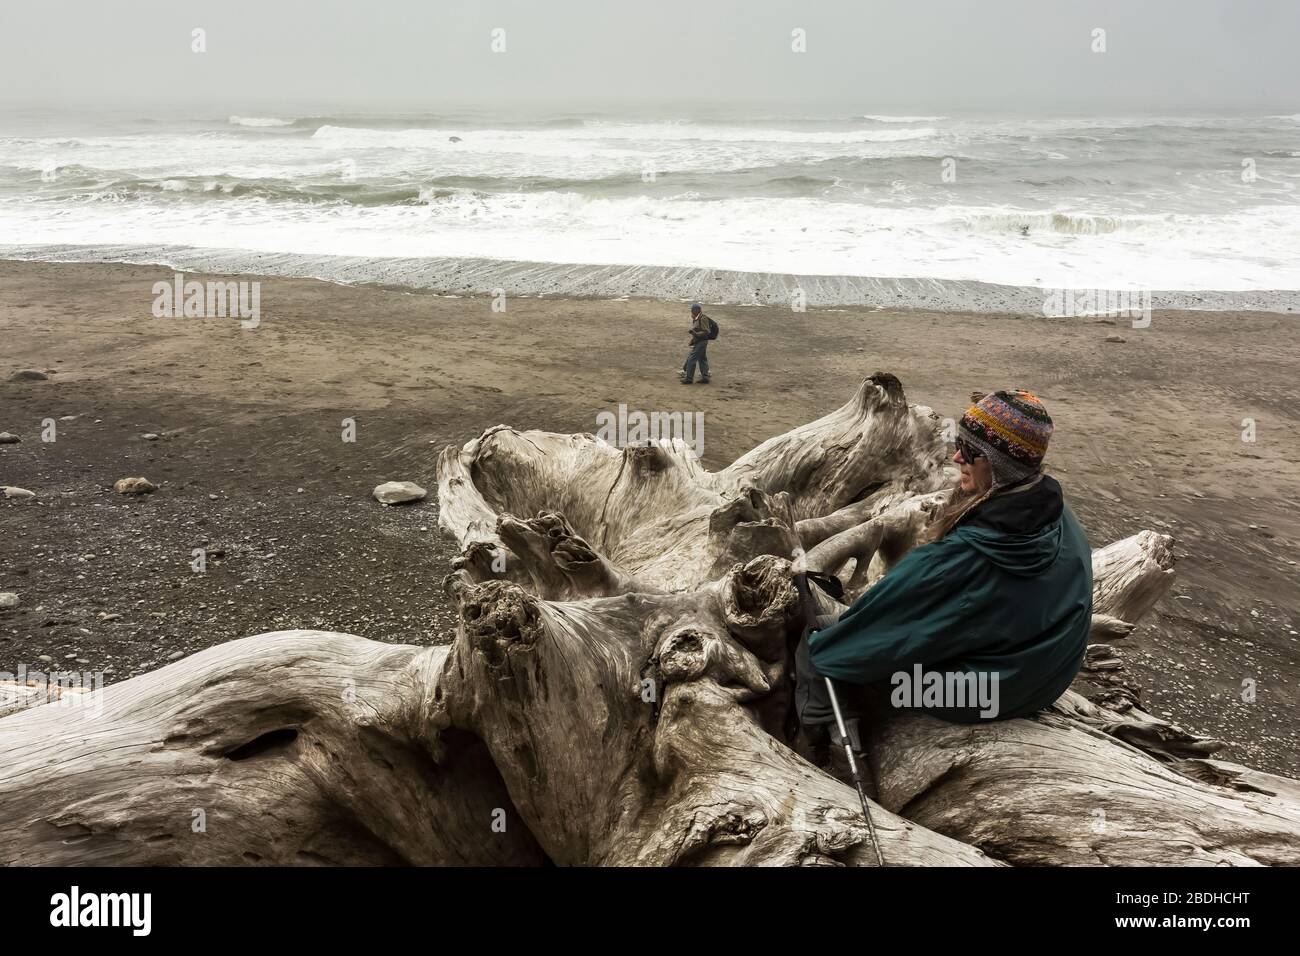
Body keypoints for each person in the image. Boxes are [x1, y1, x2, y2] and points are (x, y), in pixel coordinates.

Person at [794, 389, 1092, 769]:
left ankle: (822, 747)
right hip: (1047, 677)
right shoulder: (1058, 514)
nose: (955, 457)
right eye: (957, 444)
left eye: (968, 452)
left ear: (998, 465)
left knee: (819, 644)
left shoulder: (959, 559)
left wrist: (832, 641)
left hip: (978, 695)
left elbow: (868, 633)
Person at [680, 302, 711, 384]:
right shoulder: (697, 318)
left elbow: (706, 331)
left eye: (693, 309)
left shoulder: (702, 318)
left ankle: (689, 379)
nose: (691, 311)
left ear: (697, 310)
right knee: (702, 359)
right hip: (700, 341)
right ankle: (705, 377)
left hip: (702, 342)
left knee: (691, 359)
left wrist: (695, 334)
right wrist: (693, 340)